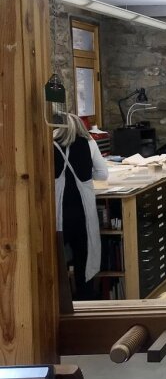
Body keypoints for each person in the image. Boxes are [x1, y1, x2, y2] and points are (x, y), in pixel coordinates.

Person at [53, 113, 109, 300]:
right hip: (82, 212)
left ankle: (60, 299)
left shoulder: (48, 144)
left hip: (57, 212)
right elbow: (102, 174)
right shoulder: (89, 142)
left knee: (57, 260)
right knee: (84, 258)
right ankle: (85, 298)